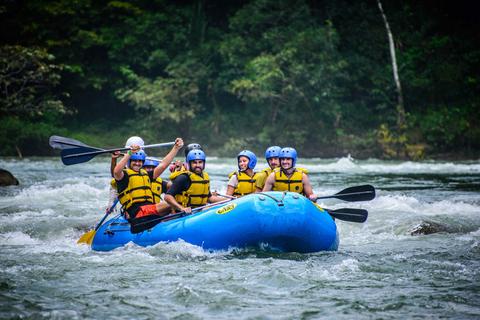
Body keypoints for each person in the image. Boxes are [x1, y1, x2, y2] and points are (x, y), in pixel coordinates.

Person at [113, 138, 184, 233]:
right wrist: (129, 153)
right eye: (135, 161)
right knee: (171, 203)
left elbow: (163, 165)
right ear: (129, 161)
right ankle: (176, 225)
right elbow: (116, 171)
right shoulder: (123, 177)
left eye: (140, 161)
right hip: (138, 215)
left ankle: (172, 224)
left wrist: (176, 148)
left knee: (179, 200)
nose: (138, 163)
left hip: (149, 212)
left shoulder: (146, 175)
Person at [164, 149, 224, 214]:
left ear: (204, 163)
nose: (197, 165)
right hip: (185, 215)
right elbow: (167, 197)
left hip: (199, 212)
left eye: (200, 162)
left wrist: (232, 200)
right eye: (194, 162)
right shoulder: (184, 177)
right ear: (189, 164)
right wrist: (182, 208)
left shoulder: (205, 177)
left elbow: (210, 198)